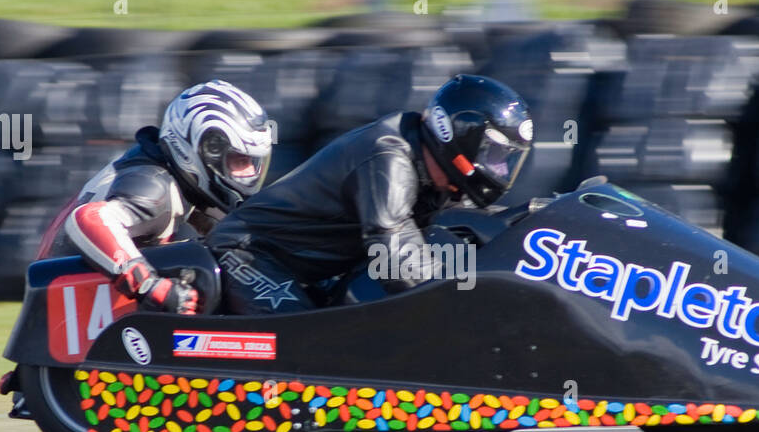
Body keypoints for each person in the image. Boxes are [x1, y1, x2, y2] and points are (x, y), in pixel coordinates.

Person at [207, 73, 533, 314]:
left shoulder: (435, 169)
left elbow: (466, 224)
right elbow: (394, 253)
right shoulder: (389, 159)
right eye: (495, 156)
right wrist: (471, 305)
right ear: (460, 136)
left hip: (311, 270)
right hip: (249, 254)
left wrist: (527, 219)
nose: (500, 170)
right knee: (305, 346)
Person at [38, 79, 273, 314]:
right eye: (238, 160)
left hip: (81, 295)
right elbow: (89, 218)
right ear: (204, 150)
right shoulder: (153, 187)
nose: (249, 173)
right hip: (71, 306)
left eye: (252, 162)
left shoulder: (177, 177)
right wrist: (148, 284)